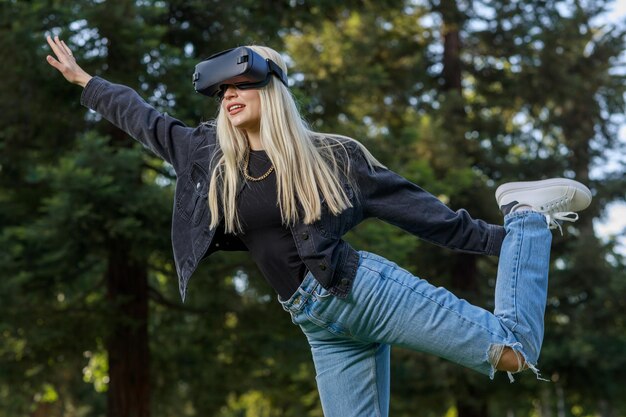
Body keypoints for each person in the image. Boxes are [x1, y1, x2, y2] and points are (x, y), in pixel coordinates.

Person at [46, 35, 592, 417]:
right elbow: (143, 117)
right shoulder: (206, 155)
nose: (228, 96)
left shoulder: (333, 159)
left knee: (513, 350)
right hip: (317, 324)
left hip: (362, 293)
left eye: (241, 84)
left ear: (272, 90)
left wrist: (510, 242)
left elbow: (431, 220)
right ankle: (525, 228)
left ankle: (525, 215)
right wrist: (86, 81)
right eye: (221, 91)